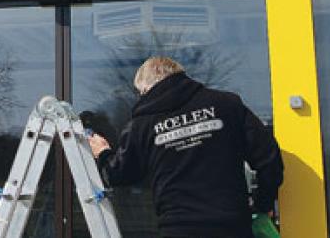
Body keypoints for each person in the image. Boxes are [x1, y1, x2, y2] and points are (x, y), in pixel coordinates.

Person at [88, 56, 283, 238]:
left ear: (146, 89)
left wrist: (103, 153)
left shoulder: (142, 125)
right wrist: (262, 203)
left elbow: (118, 174)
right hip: (232, 225)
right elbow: (269, 159)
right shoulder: (226, 105)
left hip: (179, 228)